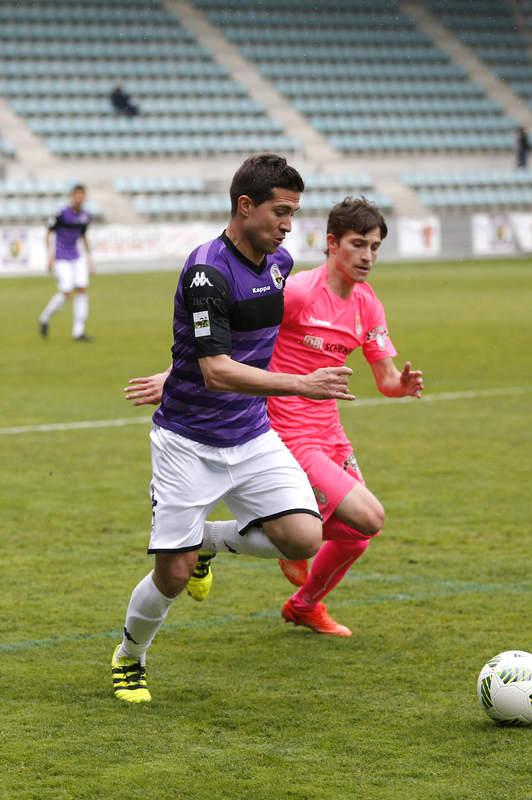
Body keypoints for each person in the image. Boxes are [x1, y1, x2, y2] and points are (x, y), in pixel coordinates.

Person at [111, 154, 355, 704]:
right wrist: (302, 385)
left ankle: (207, 543)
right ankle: (130, 657)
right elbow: (217, 370)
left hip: (250, 434)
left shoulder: (279, 262)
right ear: (245, 207)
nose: (289, 224)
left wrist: (171, 368)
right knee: (171, 578)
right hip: (187, 442)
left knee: (303, 535)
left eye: (294, 213)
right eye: (280, 211)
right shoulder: (206, 272)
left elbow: (238, 344)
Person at [126, 198, 423, 638]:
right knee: (368, 516)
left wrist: (403, 386)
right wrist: (172, 374)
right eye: (359, 244)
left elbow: (385, 379)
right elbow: (235, 339)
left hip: (330, 432)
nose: (367, 256)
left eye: (375, 247)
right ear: (331, 244)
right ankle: (234, 538)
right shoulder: (300, 291)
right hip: (285, 430)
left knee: (357, 536)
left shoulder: (368, 305)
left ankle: (303, 605)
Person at [38, 184, 94, 342]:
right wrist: (49, 256)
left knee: (82, 289)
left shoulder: (85, 216)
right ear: (72, 196)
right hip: (61, 256)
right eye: (77, 195)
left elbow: (83, 237)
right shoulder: (61, 213)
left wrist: (90, 259)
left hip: (77, 256)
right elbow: (48, 233)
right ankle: (44, 317)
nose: (79, 198)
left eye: (82, 195)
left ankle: (79, 331)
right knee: (66, 291)